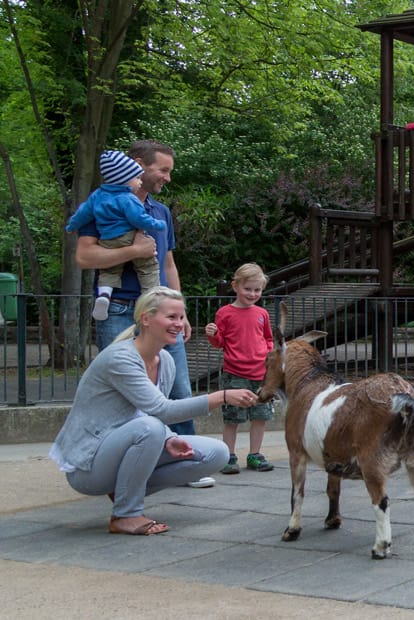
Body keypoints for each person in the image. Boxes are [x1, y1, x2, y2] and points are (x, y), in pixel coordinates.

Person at [48, 286, 255, 535]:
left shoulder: (164, 360)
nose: (178, 324)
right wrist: (220, 396)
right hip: (88, 468)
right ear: (146, 318)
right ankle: (126, 514)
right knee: (150, 428)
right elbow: (160, 410)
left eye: (181, 317)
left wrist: (169, 439)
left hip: (123, 447)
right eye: (171, 317)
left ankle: (124, 490)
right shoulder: (120, 358)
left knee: (216, 454)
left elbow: (150, 413)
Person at [73, 140, 212, 488]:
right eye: (162, 170)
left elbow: (168, 262)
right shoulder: (103, 206)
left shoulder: (160, 212)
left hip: (163, 314)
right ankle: (118, 464)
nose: (166, 178)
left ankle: (187, 461)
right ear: (138, 164)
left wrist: (181, 312)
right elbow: (85, 258)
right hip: (121, 311)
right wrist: (134, 250)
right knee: (126, 394)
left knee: (178, 389)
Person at [64, 150, 163, 322]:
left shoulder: (97, 196)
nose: (140, 182)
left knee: (109, 270)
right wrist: (155, 225)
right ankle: (152, 298)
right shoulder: (127, 198)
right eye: (137, 178)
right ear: (125, 179)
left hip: (107, 240)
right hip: (128, 237)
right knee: (148, 267)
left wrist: (71, 226)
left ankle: (104, 294)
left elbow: (82, 214)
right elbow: (138, 219)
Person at [203, 263, 276, 475]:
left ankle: (255, 454)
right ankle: (228, 455)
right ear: (235, 286)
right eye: (248, 289)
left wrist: (269, 354)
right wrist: (211, 334)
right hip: (234, 373)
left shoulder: (262, 313)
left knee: (260, 415)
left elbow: (268, 338)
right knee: (232, 417)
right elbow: (219, 342)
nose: (252, 294)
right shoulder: (224, 313)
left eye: (257, 290)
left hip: (261, 373)